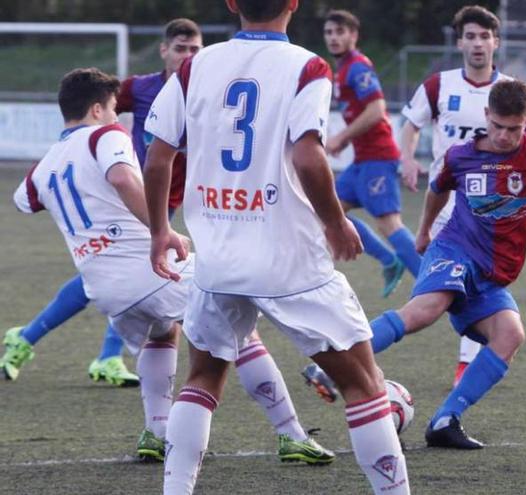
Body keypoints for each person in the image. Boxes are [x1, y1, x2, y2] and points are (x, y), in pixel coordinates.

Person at [143, 1, 409, 493]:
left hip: (218, 258)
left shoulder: (194, 65)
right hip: (288, 260)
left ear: (230, 3)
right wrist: (334, 222)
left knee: (201, 379)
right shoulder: (307, 66)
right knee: (365, 386)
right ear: (294, 3)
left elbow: (158, 157)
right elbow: (309, 155)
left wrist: (160, 230)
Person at [13, 67, 333, 465]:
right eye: (113, 108)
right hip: (147, 269)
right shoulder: (105, 135)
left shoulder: (43, 167)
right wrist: (160, 230)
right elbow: (124, 179)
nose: (117, 117)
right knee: (243, 331)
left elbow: (23, 202)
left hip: (104, 288)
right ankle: (292, 435)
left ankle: (156, 431)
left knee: (163, 332)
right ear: (97, 109)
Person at [305, 80, 526, 449]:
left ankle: (446, 420)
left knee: (510, 335)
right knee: (424, 311)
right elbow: (437, 190)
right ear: (486, 116)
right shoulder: (461, 156)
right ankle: (332, 364)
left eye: (515, 128)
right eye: (498, 126)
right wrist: (425, 231)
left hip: (490, 275)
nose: (506, 136)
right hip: (454, 250)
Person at [0, 19, 203, 386]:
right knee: (128, 276)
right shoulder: (139, 88)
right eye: (180, 48)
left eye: (194, 50)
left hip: (170, 195)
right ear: (164, 51)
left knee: (118, 276)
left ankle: (88, 352)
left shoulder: (205, 90)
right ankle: (91, 353)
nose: (187, 56)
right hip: (129, 197)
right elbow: (90, 116)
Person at [396, 5, 526, 387]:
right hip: (446, 201)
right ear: (460, 41)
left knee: (463, 292)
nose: (478, 44)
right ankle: (363, 350)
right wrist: (408, 158)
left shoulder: (512, 92)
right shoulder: (438, 85)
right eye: (471, 36)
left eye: (484, 36)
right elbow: (410, 124)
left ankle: (464, 370)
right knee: (434, 302)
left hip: (488, 207)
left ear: (496, 41)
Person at [323, 9, 421, 298]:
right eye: (329, 33)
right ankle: (390, 261)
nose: (334, 38)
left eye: (340, 32)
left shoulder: (358, 67)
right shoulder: (341, 70)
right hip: (361, 161)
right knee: (328, 213)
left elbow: (377, 109)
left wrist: (341, 135)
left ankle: (432, 282)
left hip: (378, 158)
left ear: (353, 35)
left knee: (389, 223)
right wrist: (346, 139)